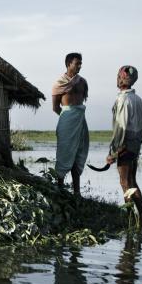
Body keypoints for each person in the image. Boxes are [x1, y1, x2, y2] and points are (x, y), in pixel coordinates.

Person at [106, 65, 142, 221]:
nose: (117, 78)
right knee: (132, 181)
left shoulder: (123, 99)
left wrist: (114, 152)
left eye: (118, 76)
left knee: (125, 182)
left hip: (125, 145)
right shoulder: (137, 99)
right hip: (135, 145)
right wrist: (136, 144)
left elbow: (120, 128)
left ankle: (130, 216)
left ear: (122, 79)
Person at [52, 52, 89, 195]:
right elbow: (55, 108)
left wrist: (75, 115)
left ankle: (77, 192)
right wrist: (67, 116)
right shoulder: (58, 83)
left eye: (80, 63)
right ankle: (60, 188)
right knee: (64, 152)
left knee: (78, 153)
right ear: (68, 64)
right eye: (77, 63)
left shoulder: (82, 82)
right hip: (67, 120)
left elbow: (82, 99)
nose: (79, 66)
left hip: (80, 119)